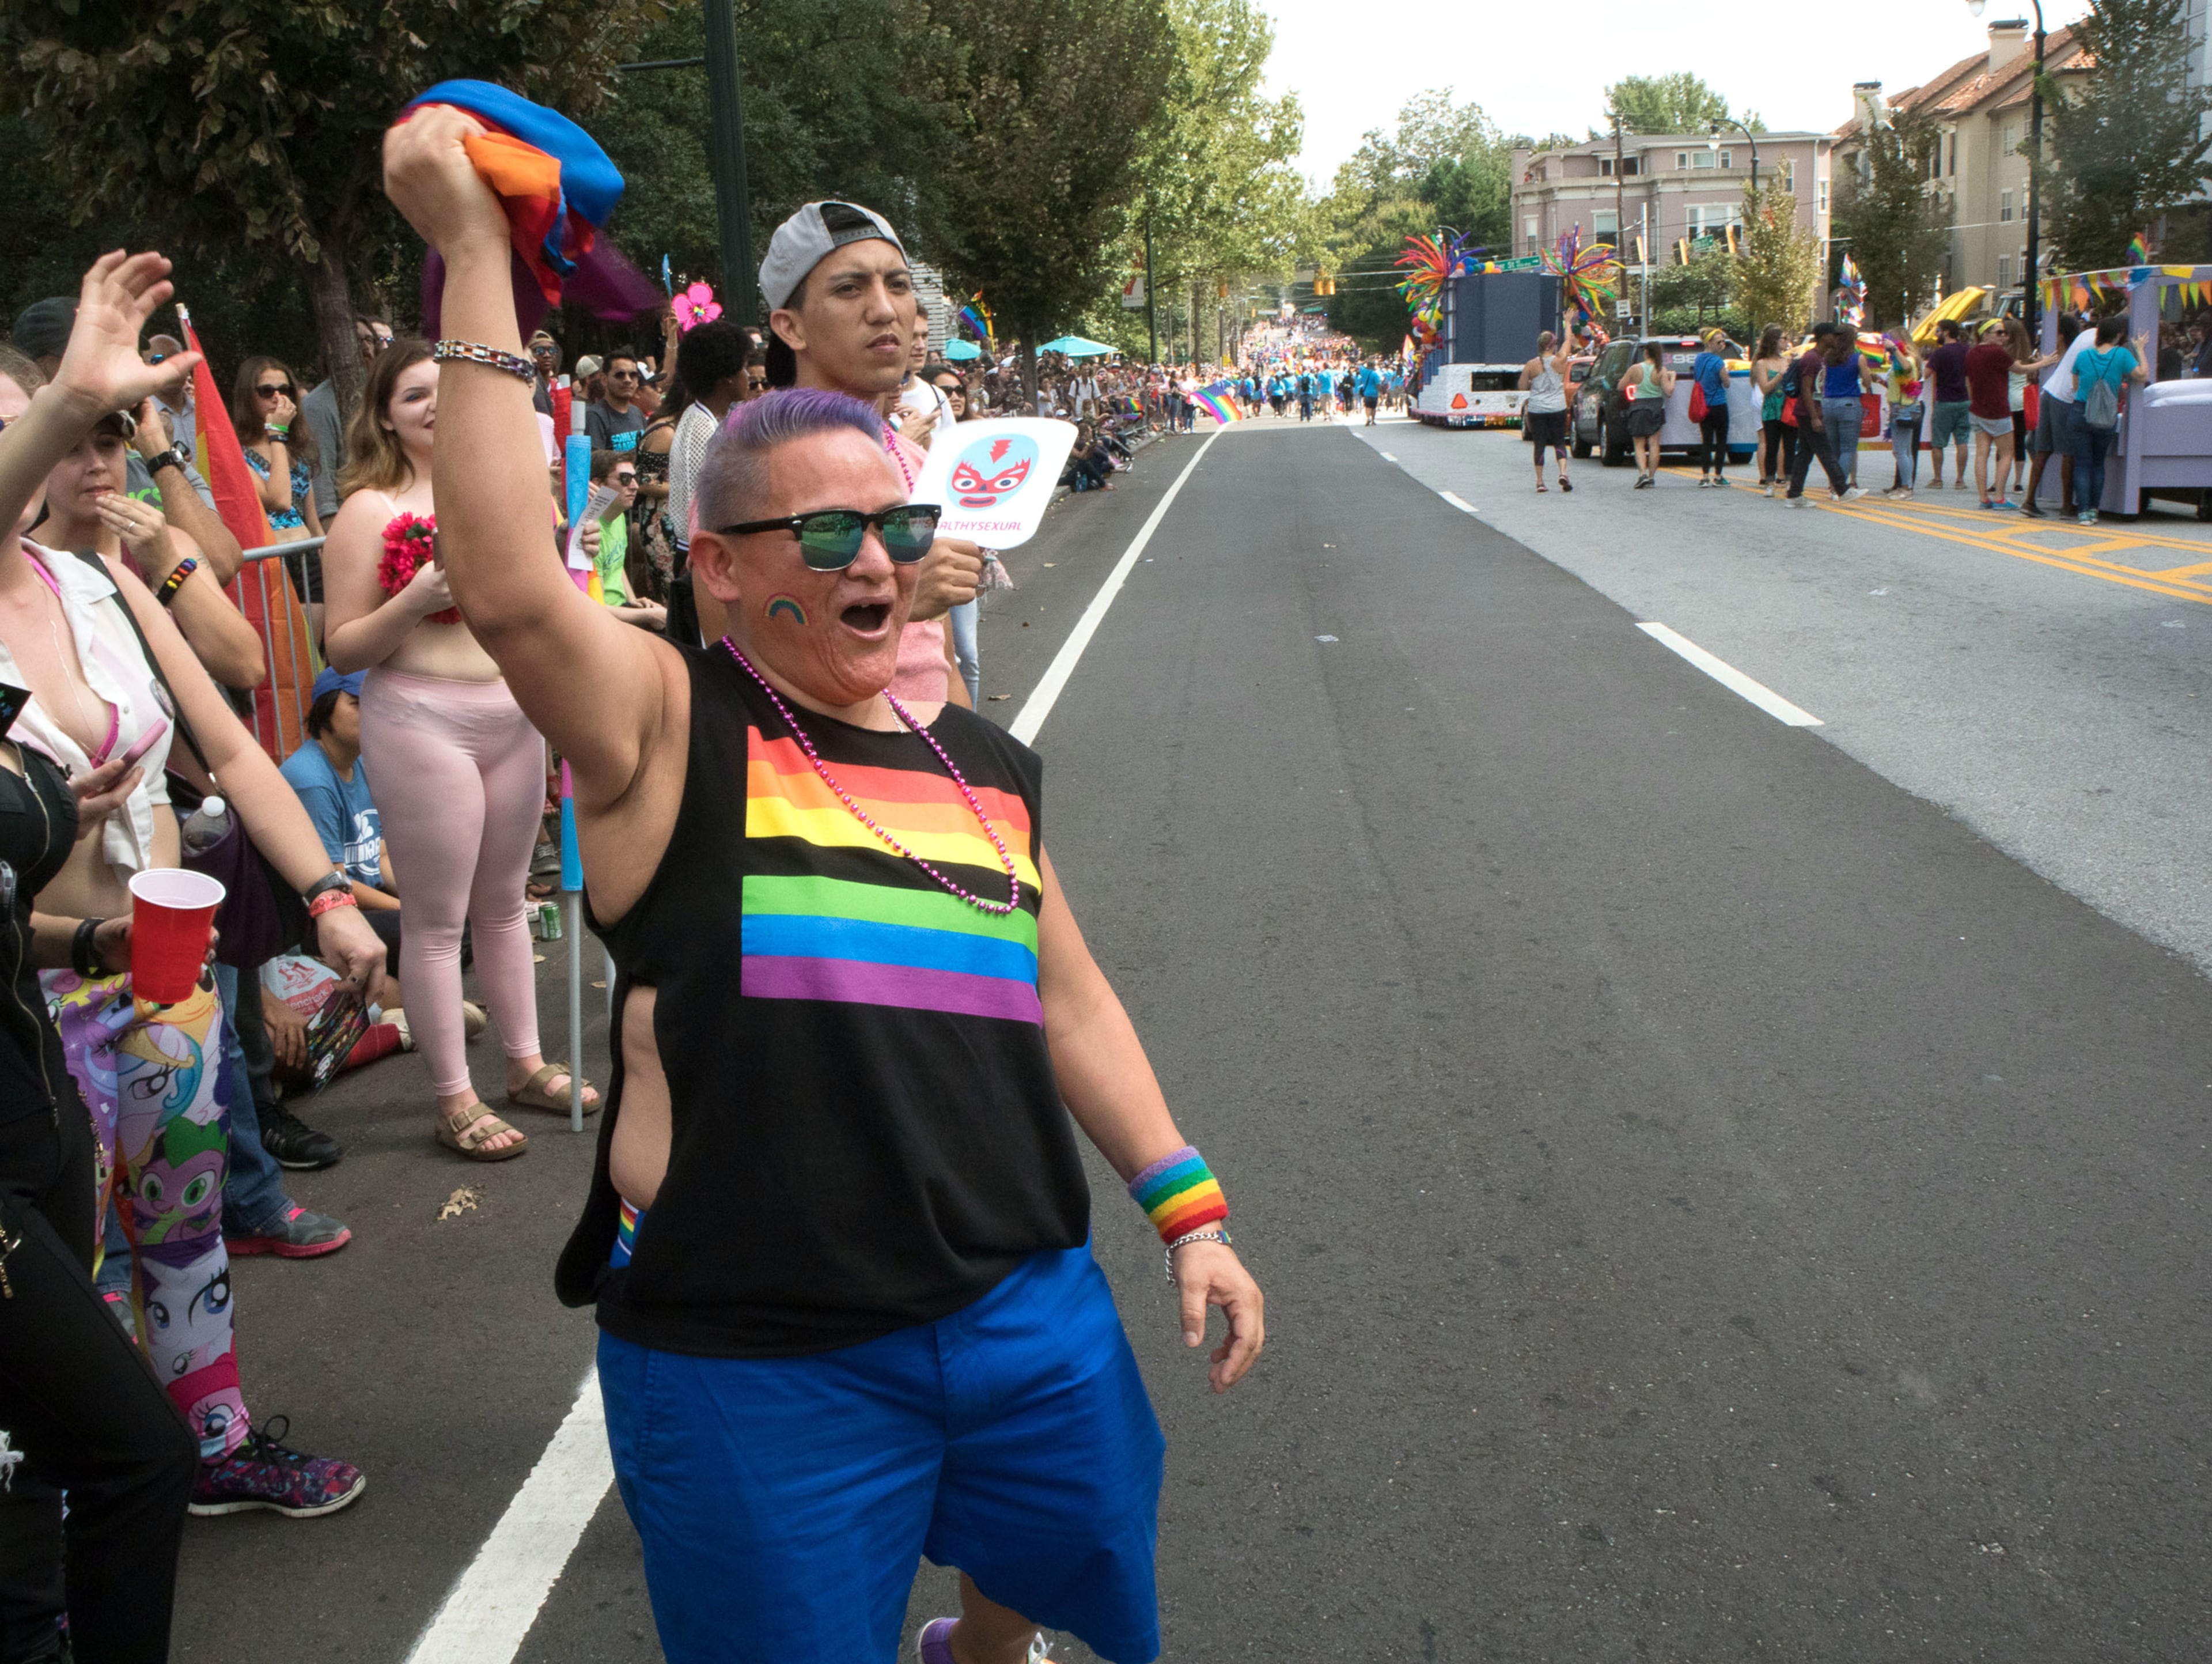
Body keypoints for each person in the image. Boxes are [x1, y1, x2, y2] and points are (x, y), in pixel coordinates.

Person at [382, 107, 1266, 1664]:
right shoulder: (673, 727)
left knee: (1065, 1573)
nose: (877, 561)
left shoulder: (985, 765)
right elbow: (513, 587)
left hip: (1025, 1317)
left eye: (898, 528)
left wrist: (1188, 1211)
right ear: (720, 568)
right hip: (757, 1361)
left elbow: (1066, 994)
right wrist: (472, 258)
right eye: (832, 532)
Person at [0, 256, 387, 1521]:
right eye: (64, 426)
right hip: (39, 1001)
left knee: (186, 1231)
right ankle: (74, 1502)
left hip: (158, 986)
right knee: (75, 1269)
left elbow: (225, 737)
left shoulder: (100, 581)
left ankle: (209, 1446)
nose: (93, 448)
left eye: (109, 427)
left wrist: (326, 888)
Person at [323, 338, 598, 1161]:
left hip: (512, 712)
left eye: (445, 389)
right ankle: (453, 1097)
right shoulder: (368, 512)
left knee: (508, 903)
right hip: (421, 720)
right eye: (413, 396)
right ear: (385, 417)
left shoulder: (504, 494)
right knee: (439, 924)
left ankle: (524, 1064)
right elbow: (342, 648)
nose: (436, 405)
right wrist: (417, 597)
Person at [752, 199, 980, 708]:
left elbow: (939, 662)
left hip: (935, 766)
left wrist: (976, 764)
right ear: (791, 327)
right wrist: (901, 604)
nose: (884, 309)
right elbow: (736, 667)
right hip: (823, 775)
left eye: (898, 285)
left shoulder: (917, 464)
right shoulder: (749, 468)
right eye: (849, 289)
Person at [25, 403, 264, 691]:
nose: (97, 464)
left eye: (109, 444)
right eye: (71, 449)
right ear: (38, 461)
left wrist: (166, 567)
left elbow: (248, 668)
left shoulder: (167, 544)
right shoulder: (20, 561)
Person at [304, 316, 393, 523]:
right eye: (355, 340)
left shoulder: (385, 396)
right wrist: (330, 527)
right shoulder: (317, 405)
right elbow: (321, 476)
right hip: (351, 519)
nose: (364, 347)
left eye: (369, 340)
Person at [2066, 316, 2150, 527]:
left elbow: (2076, 387)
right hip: (2106, 416)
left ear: (2098, 333)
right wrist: (2139, 348)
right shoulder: (2122, 355)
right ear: (2118, 335)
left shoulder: (2083, 356)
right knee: (2098, 463)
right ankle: (2095, 509)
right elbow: (2142, 375)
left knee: (2082, 463)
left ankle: (2083, 512)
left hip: (2080, 412)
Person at [233, 356, 322, 540]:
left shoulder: (295, 446)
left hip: (307, 557)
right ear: (248, 396)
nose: (277, 398)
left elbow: (313, 523)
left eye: (284, 390)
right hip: (273, 559)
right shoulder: (236, 451)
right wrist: (276, 433)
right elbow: (279, 501)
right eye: (266, 391)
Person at [586, 449, 668, 630]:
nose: (635, 486)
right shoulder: (590, 530)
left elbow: (616, 566)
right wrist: (647, 615)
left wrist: (633, 601)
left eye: (634, 477)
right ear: (598, 484)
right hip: (604, 623)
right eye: (625, 479)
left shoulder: (617, 516)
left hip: (621, 609)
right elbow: (597, 608)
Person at [2022, 311, 2089, 520]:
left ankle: (2030, 501)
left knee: (2043, 450)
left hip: (2049, 393)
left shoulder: (2083, 340)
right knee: (2068, 452)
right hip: (2066, 398)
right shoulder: (2094, 344)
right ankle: (2067, 505)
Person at [1783, 322, 1854, 506]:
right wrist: (1814, 416)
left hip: (1812, 410)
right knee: (1826, 451)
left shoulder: (1821, 358)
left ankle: (1794, 495)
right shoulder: (1811, 359)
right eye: (1834, 335)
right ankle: (1842, 489)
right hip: (1808, 412)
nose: (1837, 339)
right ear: (1823, 337)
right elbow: (1806, 389)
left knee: (1805, 455)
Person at [1965, 319, 2019, 509]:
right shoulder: (1996, 352)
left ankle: (1983, 498)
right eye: (1999, 333)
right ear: (1986, 334)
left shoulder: (1972, 353)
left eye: (2004, 333)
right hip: (1998, 409)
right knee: (2007, 453)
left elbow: (1968, 381)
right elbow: (2019, 369)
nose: (2004, 336)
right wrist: (2044, 363)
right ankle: (2000, 497)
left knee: (1982, 453)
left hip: (1978, 408)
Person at [1518, 331, 1574, 494]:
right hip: (1558, 407)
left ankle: (1540, 481)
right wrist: (1568, 323)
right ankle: (1563, 473)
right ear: (1552, 346)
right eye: (1555, 343)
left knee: (1540, 444)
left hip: (1537, 409)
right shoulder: (1560, 361)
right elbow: (1568, 342)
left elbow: (1522, 386)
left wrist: (1531, 382)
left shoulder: (1531, 365)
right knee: (1559, 442)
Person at [1923, 320, 1971, 490]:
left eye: (1938, 330)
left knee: (1938, 442)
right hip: (1964, 400)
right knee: (1962, 441)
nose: (1937, 334)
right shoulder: (1966, 350)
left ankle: (1938, 479)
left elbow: (1926, 375)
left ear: (1947, 332)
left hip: (1944, 401)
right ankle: (1960, 480)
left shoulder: (1940, 353)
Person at [1879, 331, 1925, 500]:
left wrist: (1893, 350)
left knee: (1901, 451)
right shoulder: (1900, 362)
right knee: (1903, 451)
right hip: (1900, 407)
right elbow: (1897, 386)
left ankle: (1907, 488)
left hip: (1904, 409)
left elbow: (1906, 368)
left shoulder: (1908, 360)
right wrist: (1880, 381)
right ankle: (1906, 486)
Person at [1749, 325, 1793, 496]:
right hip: (1771, 408)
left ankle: (1789, 481)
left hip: (1787, 407)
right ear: (1775, 341)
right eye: (1783, 338)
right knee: (1772, 444)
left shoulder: (1787, 360)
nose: (1786, 342)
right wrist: (1780, 375)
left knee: (1789, 445)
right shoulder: (1762, 363)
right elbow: (1765, 388)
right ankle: (1769, 481)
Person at [1623, 342, 1672, 488]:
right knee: (1654, 445)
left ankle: (1642, 474)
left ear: (1646, 352)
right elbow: (1669, 392)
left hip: (1638, 406)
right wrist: (1673, 378)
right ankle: (1651, 477)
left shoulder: (1635, 369)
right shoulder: (1661, 370)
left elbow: (1621, 386)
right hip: (1656, 406)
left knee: (1639, 443)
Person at [1690, 328, 1733, 488]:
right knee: (1721, 441)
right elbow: (1726, 383)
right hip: (1719, 404)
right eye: (1719, 342)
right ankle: (1719, 475)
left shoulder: (1699, 359)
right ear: (1710, 343)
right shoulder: (1718, 362)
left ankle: (1705, 476)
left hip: (1704, 405)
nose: (1722, 345)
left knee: (1706, 441)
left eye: (1723, 342)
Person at [587, 351, 646, 453]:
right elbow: (595, 462)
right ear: (604, 379)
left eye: (633, 375)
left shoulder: (637, 412)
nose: (628, 380)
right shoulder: (594, 416)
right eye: (620, 375)